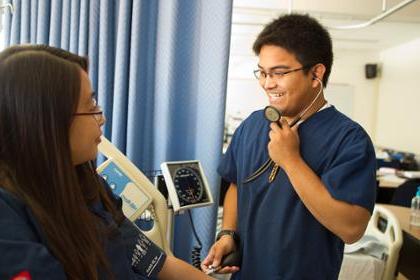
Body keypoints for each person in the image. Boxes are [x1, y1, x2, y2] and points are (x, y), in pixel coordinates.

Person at [0, 45, 212, 280]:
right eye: (91, 108)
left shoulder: (88, 186)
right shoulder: (9, 218)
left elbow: (157, 264)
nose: (101, 118)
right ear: (48, 122)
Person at [202, 14, 376, 279]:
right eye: (262, 72)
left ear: (316, 73)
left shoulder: (349, 139)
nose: (267, 83)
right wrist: (228, 234)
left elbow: (351, 229)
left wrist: (291, 161)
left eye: (279, 73)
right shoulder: (252, 126)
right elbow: (237, 184)